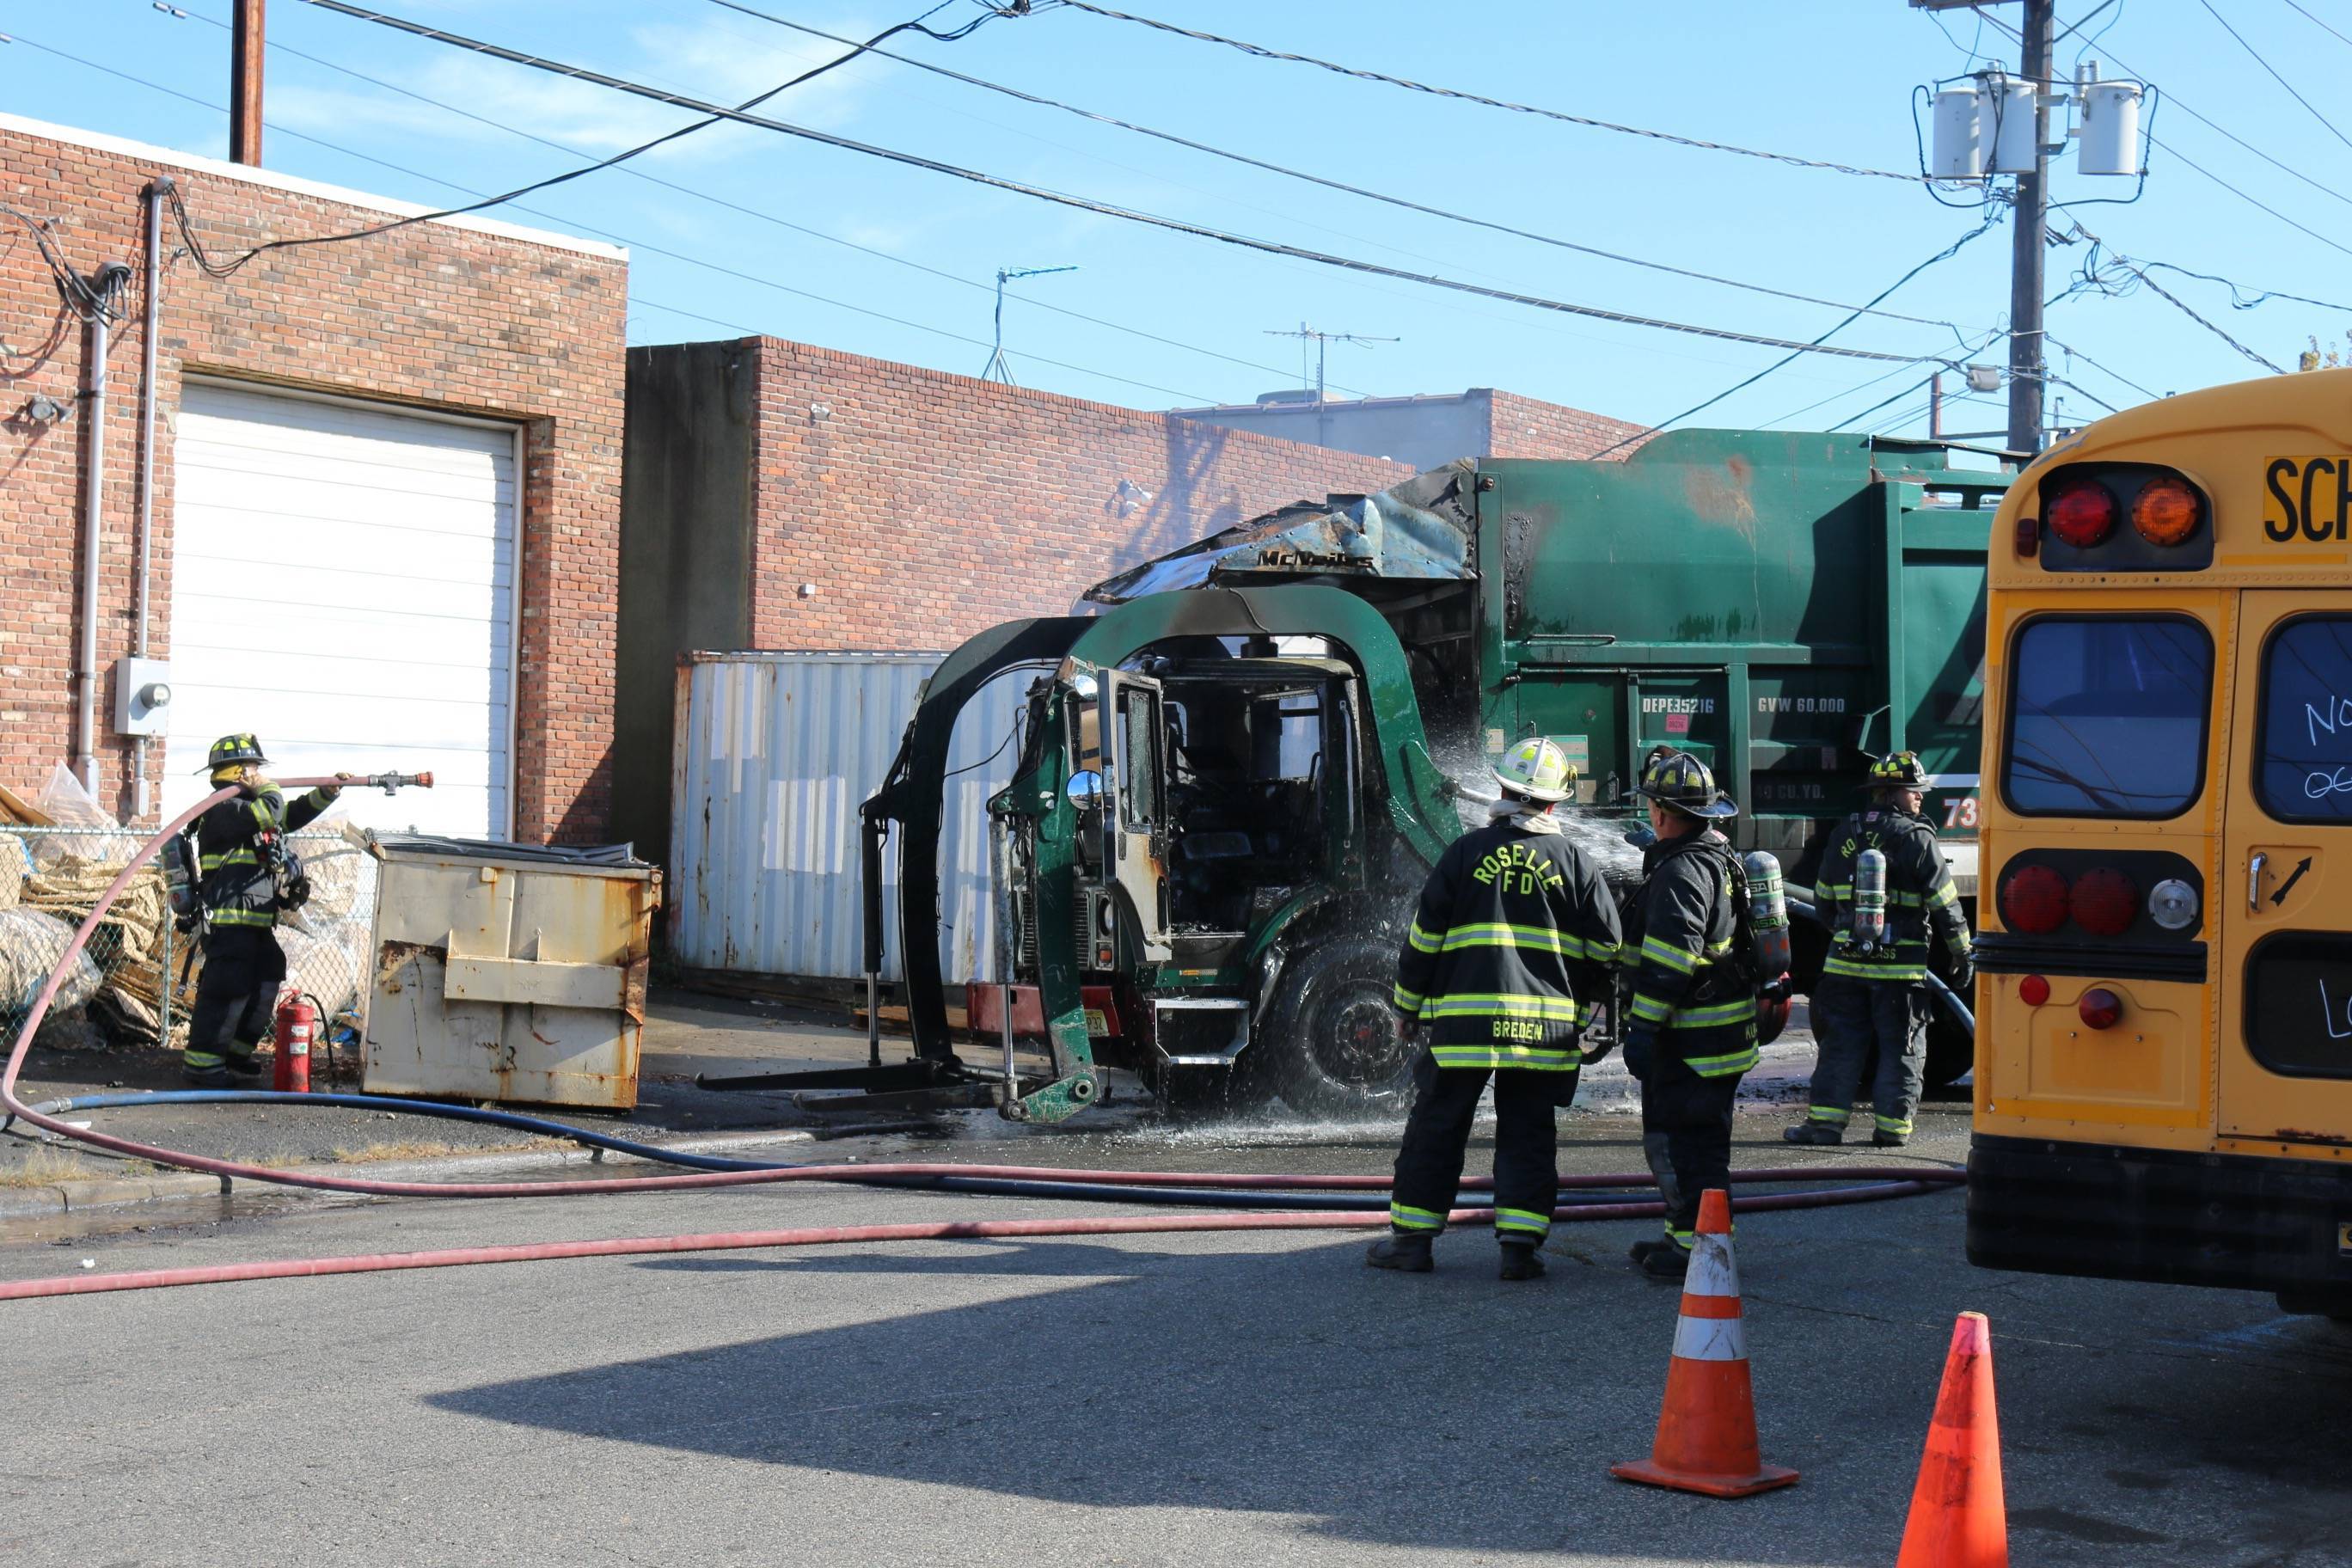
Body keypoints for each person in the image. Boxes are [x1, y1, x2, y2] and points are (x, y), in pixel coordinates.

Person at [1368, 738, 1622, 1281]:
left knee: (1438, 1124)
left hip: (1464, 1023)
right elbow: (1608, 948)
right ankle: (1519, 1250)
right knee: (1528, 1130)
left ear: (1503, 790)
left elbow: (1424, 937)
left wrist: (1407, 1008)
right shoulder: (1576, 862)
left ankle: (1412, 1243)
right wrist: (1588, 1011)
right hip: (1543, 1031)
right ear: (1555, 802)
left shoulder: (1465, 852)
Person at [1784, 751, 1972, 1149]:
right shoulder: (1916, 838)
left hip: (1846, 965)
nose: (1919, 798)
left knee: (1840, 1046)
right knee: (1901, 1048)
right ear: (1890, 793)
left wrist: (1844, 929)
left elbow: (1822, 901)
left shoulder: (1843, 832)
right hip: (1899, 972)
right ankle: (1891, 1130)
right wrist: (1961, 953)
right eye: (1913, 791)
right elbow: (1945, 904)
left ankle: (1825, 1127)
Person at [1619, 750, 1757, 1281]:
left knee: (1694, 1147)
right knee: (1691, 1142)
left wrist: (1644, 1028)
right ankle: (1684, 1233)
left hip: (1693, 1041)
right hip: (1716, 1035)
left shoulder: (1682, 871)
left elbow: (1670, 963)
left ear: (1660, 811)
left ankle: (1703, 1248)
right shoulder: (1713, 856)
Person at [181, 734, 344, 1086]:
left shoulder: (250, 813)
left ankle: (235, 1056)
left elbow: (287, 815)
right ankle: (203, 1065)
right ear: (238, 772)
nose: (258, 773)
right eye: (253, 767)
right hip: (229, 922)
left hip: (255, 924)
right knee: (228, 990)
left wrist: (326, 794)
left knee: (269, 975)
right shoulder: (224, 809)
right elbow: (270, 809)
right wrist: (266, 787)